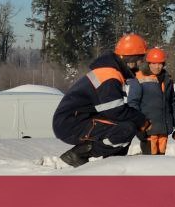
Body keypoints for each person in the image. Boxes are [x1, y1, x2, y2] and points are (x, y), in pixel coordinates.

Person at [52, 33, 151, 167]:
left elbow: (114, 110)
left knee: (127, 127)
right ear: (130, 59)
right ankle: (79, 154)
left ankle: (115, 166)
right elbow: (116, 111)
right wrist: (141, 120)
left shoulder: (111, 72)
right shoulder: (109, 76)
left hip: (78, 119)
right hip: (70, 123)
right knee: (126, 129)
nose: (141, 64)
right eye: (141, 59)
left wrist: (138, 123)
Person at [127, 46, 175, 155]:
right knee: (150, 166)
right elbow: (133, 105)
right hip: (148, 131)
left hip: (164, 131)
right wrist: (138, 128)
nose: (157, 67)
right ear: (148, 63)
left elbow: (172, 103)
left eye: (160, 63)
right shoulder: (138, 78)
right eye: (154, 63)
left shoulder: (167, 79)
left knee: (160, 164)